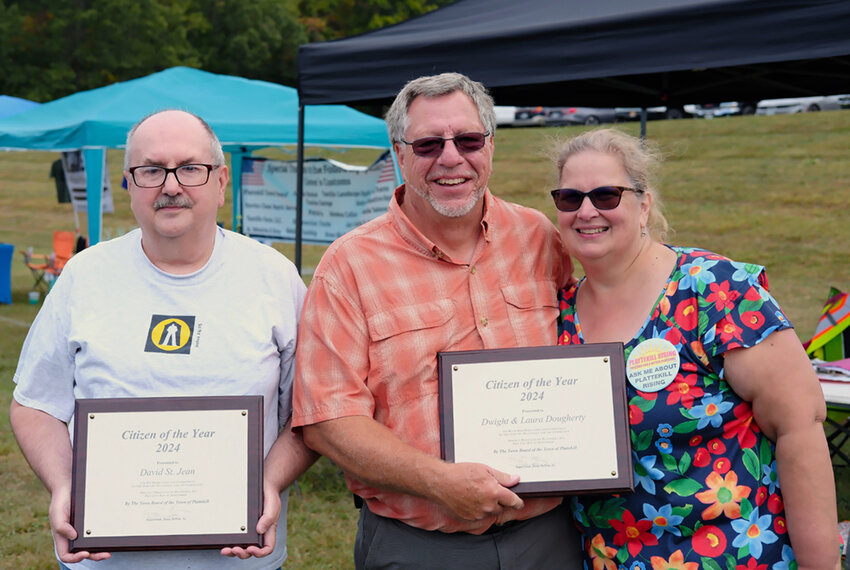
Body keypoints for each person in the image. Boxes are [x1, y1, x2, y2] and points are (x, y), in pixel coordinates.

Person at [291, 72, 581, 569]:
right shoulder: (349, 266)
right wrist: (440, 483)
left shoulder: (539, 236)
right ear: (398, 154)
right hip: (419, 545)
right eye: (428, 144)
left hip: (549, 535)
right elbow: (327, 420)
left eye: (468, 140)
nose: (451, 158)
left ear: (490, 145)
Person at [10, 110, 316, 570]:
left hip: (238, 559)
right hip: (104, 560)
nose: (171, 185)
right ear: (129, 184)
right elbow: (34, 404)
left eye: (190, 168)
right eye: (151, 170)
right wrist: (64, 486)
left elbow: (311, 412)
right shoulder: (85, 276)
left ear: (221, 181)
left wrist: (269, 484)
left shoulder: (273, 277)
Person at [551, 128, 840, 569]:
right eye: (570, 198)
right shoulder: (560, 315)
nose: (587, 211)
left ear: (644, 203)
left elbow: (800, 428)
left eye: (606, 195)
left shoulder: (715, 291)